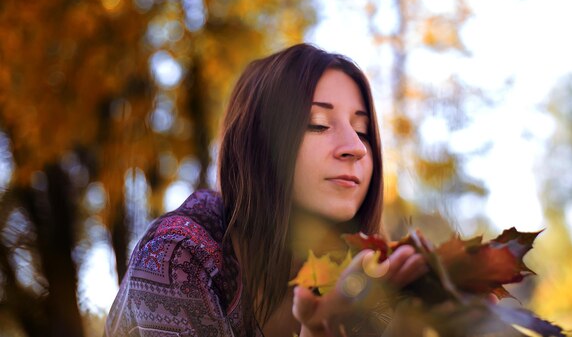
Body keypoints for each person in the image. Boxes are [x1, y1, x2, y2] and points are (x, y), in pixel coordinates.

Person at [104, 43, 428, 337]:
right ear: (261, 144)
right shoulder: (178, 257)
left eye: (363, 130)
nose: (355, 147)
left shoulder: (361, 278)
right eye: (318, 123)